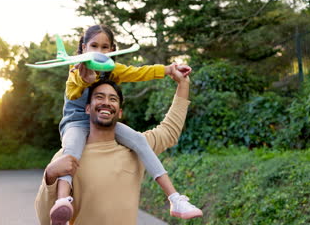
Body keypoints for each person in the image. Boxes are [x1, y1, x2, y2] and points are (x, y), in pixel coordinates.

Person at [36, 64, 202, 224]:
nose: (106, 102)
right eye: (99, 97)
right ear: (87, 108)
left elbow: (170, 131)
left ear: (120, 111)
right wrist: (50, 175)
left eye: (113, 99)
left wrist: (183, 84)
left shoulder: (136, 149)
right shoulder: (67, 157)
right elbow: (45, 220)